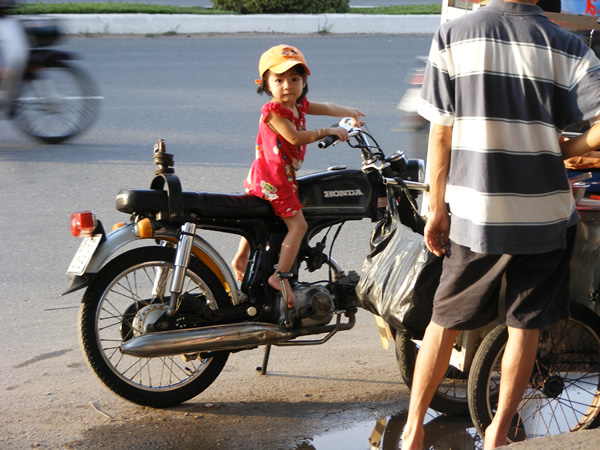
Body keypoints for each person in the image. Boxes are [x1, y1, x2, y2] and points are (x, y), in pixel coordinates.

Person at [401, 1, 600, 449]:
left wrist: (436, 208)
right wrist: (565, 149)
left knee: (444, 319)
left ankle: (413, 431)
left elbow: (440, 132)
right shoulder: (566, 44)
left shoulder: (454, 35)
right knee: (525, 326)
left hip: (476, 214)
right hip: (545, 215)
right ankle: (497, 433)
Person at [231, 44, 365, 306]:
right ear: (266, 84)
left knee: (260, 216)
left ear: (304, 82)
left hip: (271, 174)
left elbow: (326, 105)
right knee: (299, 226)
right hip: (275, 179)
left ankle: (241, 257)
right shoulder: (272, 111)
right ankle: (279, 276)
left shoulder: (299, 104)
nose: (287, 85)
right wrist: (327, 131)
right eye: (278, 79)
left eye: (294, 78)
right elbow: (294, 137)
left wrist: (349, 112)